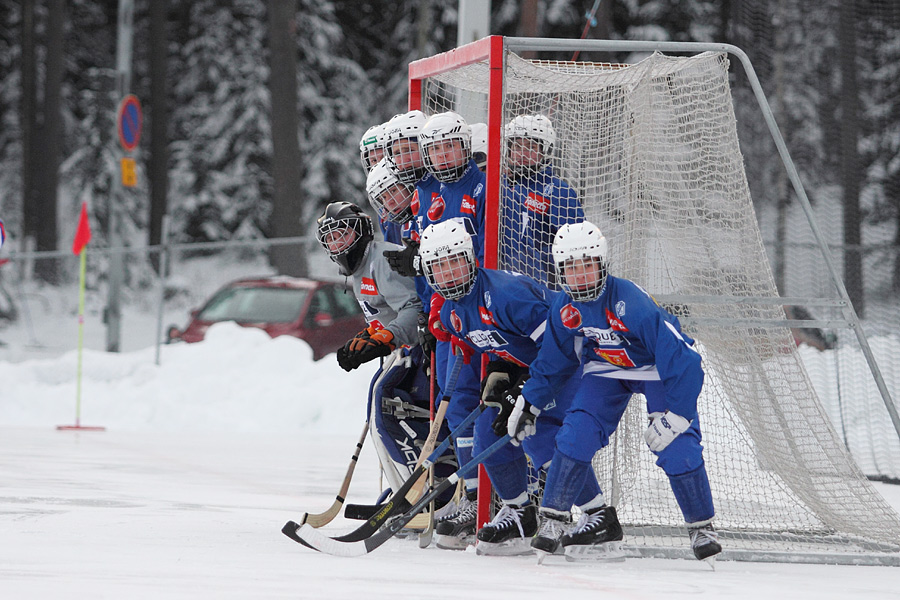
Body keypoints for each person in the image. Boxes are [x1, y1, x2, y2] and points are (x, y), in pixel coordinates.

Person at [507, 221, 721, 562]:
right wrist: (530, 403)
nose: (580, 275)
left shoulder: (631, 302)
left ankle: (701, 527)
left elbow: (684, 360)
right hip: (606, 369)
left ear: (602, 264)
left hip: (655, 370)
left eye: (587, 265)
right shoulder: (564, 307)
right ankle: (553, 519)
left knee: (676, 445)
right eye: (570, 267)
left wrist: (678, 415)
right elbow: (554, 360)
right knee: (576, 432)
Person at [417, 221, 601, 555]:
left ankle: (598, 515)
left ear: (471, 259)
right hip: (537, 368)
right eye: (439, 266)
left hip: (575, 360)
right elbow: (494, 342)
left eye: (454, 261)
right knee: (489, 434)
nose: (448, 273)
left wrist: (527, 391)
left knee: (543, 435)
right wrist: (504, 372)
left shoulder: (507, 296)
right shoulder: (451, 313)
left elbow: (560, 344)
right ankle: (520, 515)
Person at [383, 111, 489, 547]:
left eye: (450, 146)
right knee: (454, 399)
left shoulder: (483, 186)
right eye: (435, 149)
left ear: (464, 146)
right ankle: (467, 495)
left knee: (483, 402)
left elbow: (482, 250)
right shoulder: (424, 190)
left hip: (480, 311)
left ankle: (495, 498)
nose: (443, 155)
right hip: (443, 314)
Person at [316, 202, 450, 498]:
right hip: (402, 351)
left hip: (424, 353)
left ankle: (432, 488)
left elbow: (414, 309)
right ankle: (407, 487)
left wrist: (385, 337)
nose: (337, 245)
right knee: (376, 411)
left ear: (361, 232)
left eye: (342, 236)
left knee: (386, 411)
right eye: (330, 239)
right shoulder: (360, 268)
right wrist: (368, 337)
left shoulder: (382, 260)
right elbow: (384, 314)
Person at [502, 114, 584, 289]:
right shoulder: (498, 185)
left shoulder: (559, 192)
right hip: (501, 281)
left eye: (531, 147)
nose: (522, 154)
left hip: (544, 288)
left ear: (544, 151)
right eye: (517, 146)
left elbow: (575, 247)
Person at [365, 158, 416, 246]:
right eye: (383, 198)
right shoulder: (393, 227)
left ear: (409, 186)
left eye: (393, 191)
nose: (389, 202)